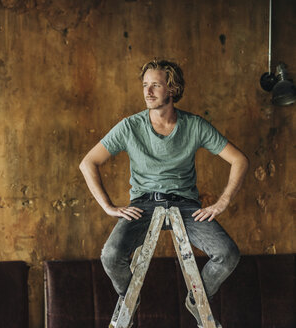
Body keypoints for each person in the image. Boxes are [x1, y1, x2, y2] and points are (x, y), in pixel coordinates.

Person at [79, 59, 249, 327]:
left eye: (155, 85)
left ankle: (197, 299)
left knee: (228, 254)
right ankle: (130, 301)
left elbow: (239, 160)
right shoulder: (130, 126)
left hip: (186, 205)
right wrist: (109, 207)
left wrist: (222, 202)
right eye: (145, 85)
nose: (147, 92)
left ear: (172, 89)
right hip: (144, 205)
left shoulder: (195, 125)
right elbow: (87, 162)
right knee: (111, 256)